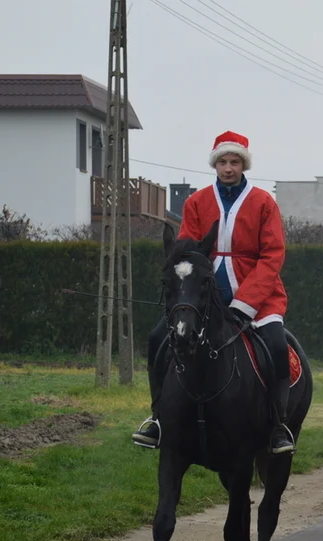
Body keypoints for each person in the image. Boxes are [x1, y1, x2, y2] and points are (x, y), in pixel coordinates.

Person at [132, 130, 295, 454]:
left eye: (235, 161)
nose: (229, 168)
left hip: (258, 298)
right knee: (156, 340)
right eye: (223, 161)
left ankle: (278, 425)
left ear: (243, 164)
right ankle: (158, 419)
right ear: (215, 164)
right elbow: (187, 250)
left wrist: (246, 304)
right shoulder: (196, 202)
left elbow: (273, 255)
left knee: (277, 347)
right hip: (203, 299)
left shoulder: (264, 202)